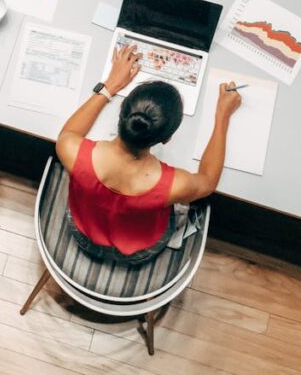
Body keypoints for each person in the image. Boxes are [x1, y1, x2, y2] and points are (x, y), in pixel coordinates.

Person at [55, 44, 242, 264]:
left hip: (82, 233)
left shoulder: (71, 150)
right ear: (167, 138)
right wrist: (222, 117)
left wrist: (110, 85)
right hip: (139, 250)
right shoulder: (175, 184)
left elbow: (69, 132)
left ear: (122, 113)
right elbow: (208, 181)